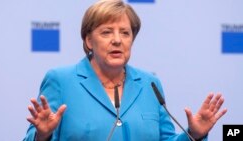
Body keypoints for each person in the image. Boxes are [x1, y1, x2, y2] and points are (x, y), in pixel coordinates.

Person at [23, 0, 227, 141]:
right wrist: (42, 136)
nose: (117, 40)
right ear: (88, 40)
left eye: (125, 33)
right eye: (106, 32)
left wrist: (195, 134)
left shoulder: (149, 83)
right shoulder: (61, 80)